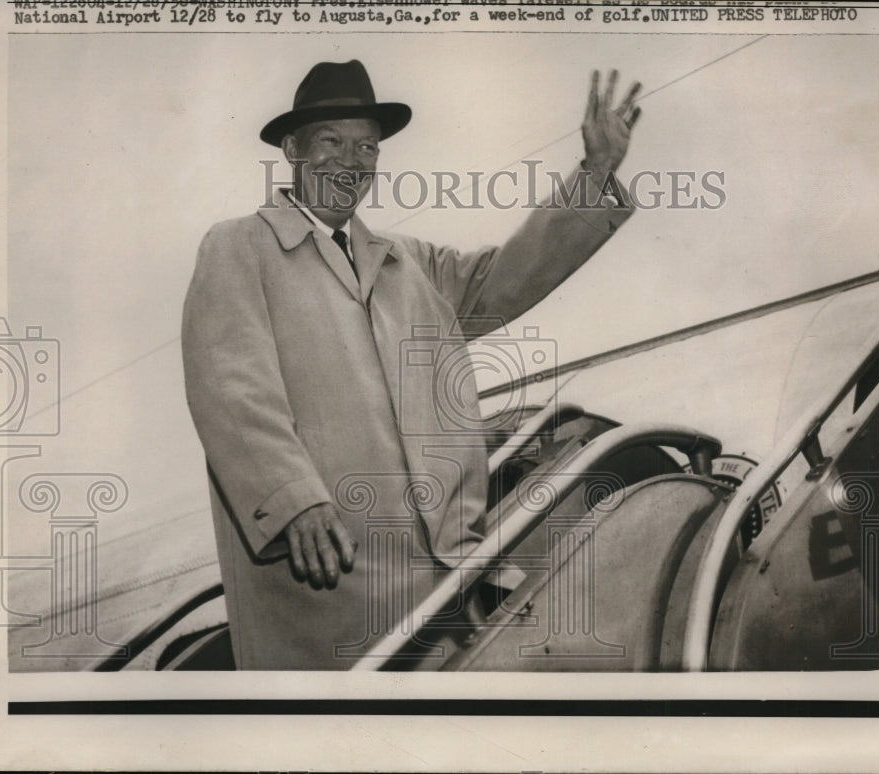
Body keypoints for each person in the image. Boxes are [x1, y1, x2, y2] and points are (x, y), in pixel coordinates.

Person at [181, 59, 641, 669]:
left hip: (448, 587)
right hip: (333, 594)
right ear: (291, 149)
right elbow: (231, 386)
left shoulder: (408, 264)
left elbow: (506, 278)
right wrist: (294, 500)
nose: (352, 160)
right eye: (331, 142)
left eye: (367, 146)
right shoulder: (239, 247)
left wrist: (595, 172)